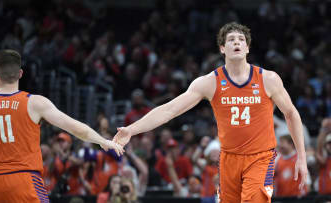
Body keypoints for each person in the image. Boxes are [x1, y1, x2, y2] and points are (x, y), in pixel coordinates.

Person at [113, 22, 308, 203]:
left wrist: (301, 156)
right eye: (231, 39)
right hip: (228, 158)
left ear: (247, 48)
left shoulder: (268, 79)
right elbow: (169, 110)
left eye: (241, 39)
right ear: (223, 48)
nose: (237, 42)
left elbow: (291, 114)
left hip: (260, 157)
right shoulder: (210, 82)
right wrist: (131, 130)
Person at [0, 49, 124, 203]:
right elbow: (75, 128)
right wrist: (103, 141)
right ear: (20, 74)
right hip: (25, 179)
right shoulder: (35, 102)